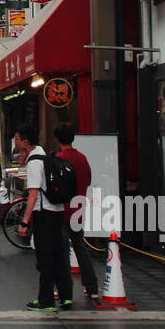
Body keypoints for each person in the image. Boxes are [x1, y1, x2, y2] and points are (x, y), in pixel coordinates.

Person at [14, 123, 72, 312]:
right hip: (57, 210)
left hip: (43, 214)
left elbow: (33, 194)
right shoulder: (44, 153)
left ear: (25, 141)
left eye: (17, 138)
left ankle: (46, 300)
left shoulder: (33, 162)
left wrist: (24, 222)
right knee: (59, 254)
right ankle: (65, 296)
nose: (15, 141)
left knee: (45, 258)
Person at [54, 122, 98, 302]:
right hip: (78, 208)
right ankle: (92, 287)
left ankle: (63, 289)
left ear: (57, 139)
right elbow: (87, 180)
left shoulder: (58, 159)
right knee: (80, 247)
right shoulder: (82, 158)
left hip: (61, 209)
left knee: (62, 251)